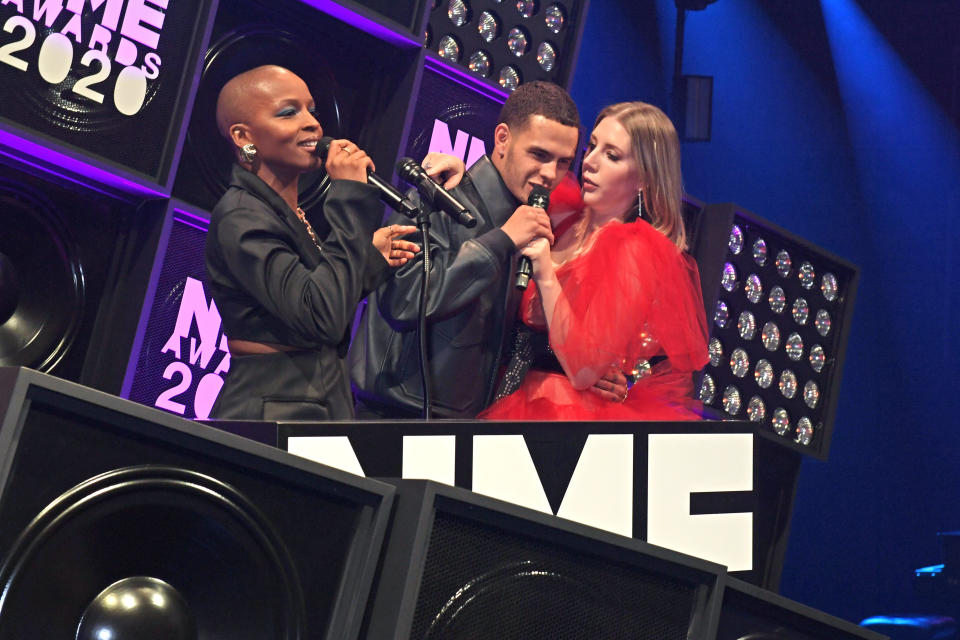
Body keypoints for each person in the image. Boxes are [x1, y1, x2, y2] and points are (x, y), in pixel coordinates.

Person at [349, 81, 628, 419]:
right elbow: (404, 300)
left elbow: (500, 337)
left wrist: (583, 373)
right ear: (502, 139)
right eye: (539, 155)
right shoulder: (439, 194)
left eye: (563, 162)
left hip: (464, 429)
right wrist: (501, 241)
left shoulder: (534, 223)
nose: (550, 174)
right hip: (392, 418)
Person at [204, 65, 419, 420]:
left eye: (312, 111)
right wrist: (349, 197)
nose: (313, 124)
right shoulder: (241, 217)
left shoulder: (286, 212)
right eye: (289, 112)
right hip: (276, 410)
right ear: (243, 136)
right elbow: (322, 316)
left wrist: (368, 261)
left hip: (320, 402)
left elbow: (317, 295)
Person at [479, 101, 709, 420]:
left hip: (552, 414)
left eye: (611, 155)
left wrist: (545, 271)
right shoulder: (561, 211)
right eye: (592, 146)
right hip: (489, 385)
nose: (589, 162)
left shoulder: (635, 252)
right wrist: (463, 174)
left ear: (644, 178)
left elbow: (584, 370)